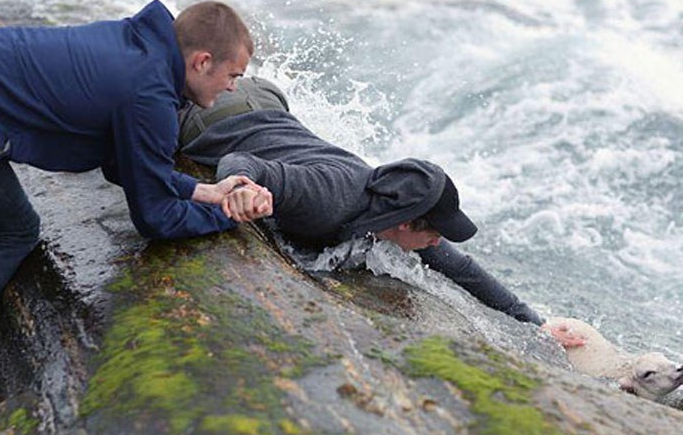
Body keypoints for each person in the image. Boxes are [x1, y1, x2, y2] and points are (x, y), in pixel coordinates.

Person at [0, 0, 272, 425]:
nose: (232, 88)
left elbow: (128, 166)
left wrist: (205, 192)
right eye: (233, 76)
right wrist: (230, 215)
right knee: (12, 231)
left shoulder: (138, 49)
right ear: (202, 62)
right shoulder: (150, 95)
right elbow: (155, 217)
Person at [179, 76, 563, 331]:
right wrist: (240, 188)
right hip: (212, 115)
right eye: (435, 233)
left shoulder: (392, 206)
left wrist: (536, 324)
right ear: (407, 223)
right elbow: (241, 161)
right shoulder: (328, 197)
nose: (437, 242)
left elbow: (463, 270)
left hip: (268, 99)